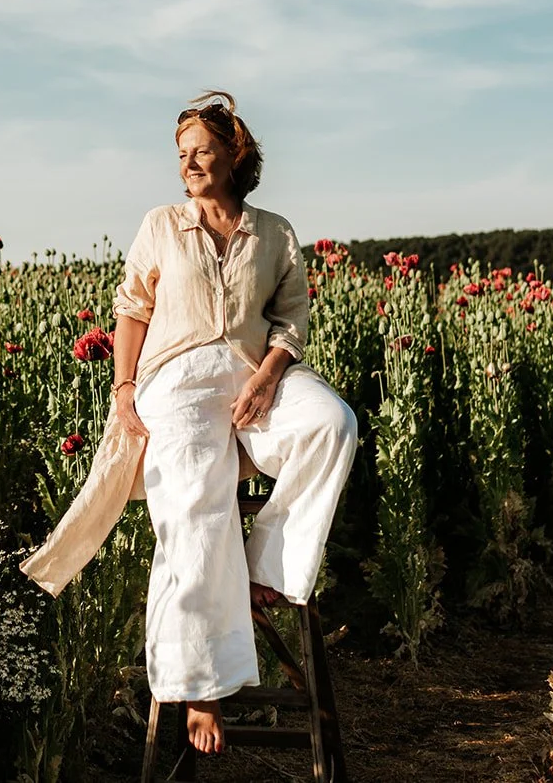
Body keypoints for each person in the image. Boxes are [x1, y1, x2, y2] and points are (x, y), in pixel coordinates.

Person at [18, 90, 358, 756]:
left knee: (333, 424)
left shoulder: (274, 231)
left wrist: (266, 377)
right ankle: (201, 684)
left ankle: (267, 566)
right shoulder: (161, 224)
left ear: (234, 154)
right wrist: (123, 387)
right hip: (176, 378)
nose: (191, 164)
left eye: (203, 151)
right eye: (182, 154)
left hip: (258, 375)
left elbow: (291, 320)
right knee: (195, 496)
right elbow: (132, 308)